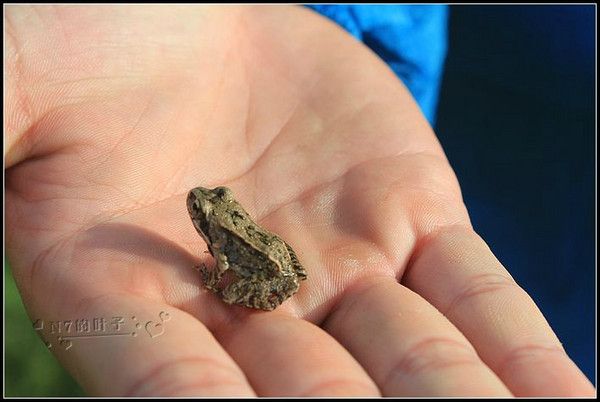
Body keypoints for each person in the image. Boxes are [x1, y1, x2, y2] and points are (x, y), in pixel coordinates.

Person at [4, 5, 594, 397]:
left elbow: (234, 269)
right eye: (207, 211)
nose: (200, 213)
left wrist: (219, 282)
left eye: (206, 214)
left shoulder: (220, 241)